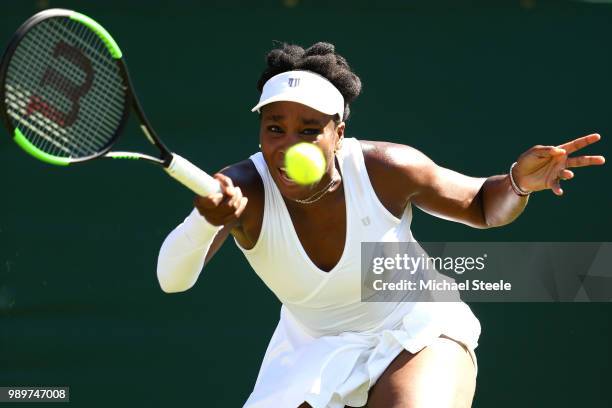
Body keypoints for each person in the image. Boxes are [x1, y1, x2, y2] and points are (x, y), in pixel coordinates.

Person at [156, 42, 605, 408]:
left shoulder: (387, 168)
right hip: (311, 351)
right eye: (275, 128)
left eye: (310, 130)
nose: (288, 145)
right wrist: (204, 219)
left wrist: (516, 182)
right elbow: (171, 280)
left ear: (340, 133)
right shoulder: (241, 189)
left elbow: (483, 205)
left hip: (417, 327)